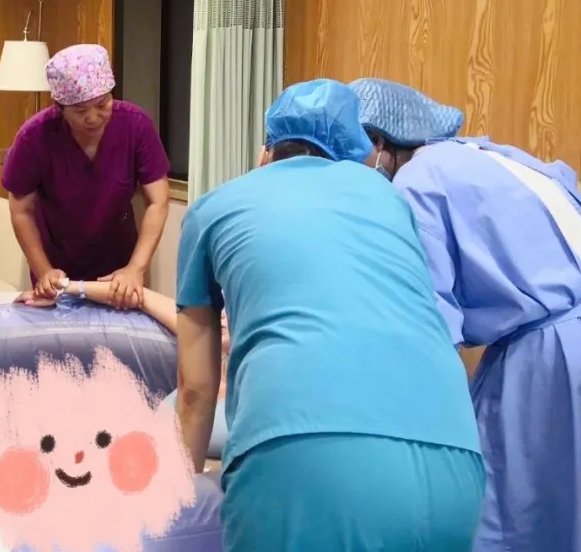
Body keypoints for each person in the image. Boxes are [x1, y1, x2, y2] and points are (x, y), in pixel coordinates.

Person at [176, 78, 485, 552]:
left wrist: (174, 510)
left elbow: (196, 391)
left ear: (266, 152)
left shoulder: (214, 207)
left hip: (302, 461)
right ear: (360, 153)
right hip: (454, 465)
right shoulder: (389, 200)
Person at [350, 76, 581, 552]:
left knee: (514, 510)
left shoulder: (416, 185)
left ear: (378, 142)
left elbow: (428, 330)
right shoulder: (487, 153)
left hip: (565, 354)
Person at [2, 44, 170, 309]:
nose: (93, 117)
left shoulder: (136, 126)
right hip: (58, 264)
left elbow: (158, 201)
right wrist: (44, 271)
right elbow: (21, 210)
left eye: (102, 104)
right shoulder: (34, 137)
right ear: (60, 107)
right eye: (80, 110)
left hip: (119, 268)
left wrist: (136, 267)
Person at [17, 282, 231, 456]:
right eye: (220, 307)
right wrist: (63, 288)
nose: (222, 316)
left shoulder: (247, 396)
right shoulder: (205, 341)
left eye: (232, 309)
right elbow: (139, 295)